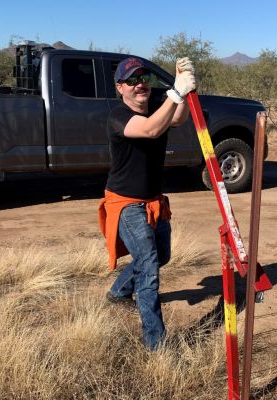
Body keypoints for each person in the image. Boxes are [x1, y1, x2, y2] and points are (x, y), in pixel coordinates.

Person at [98, 56, 196, 349]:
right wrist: (176, 93)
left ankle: (118, 292)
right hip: (127, 203)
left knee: (160, 256)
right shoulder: (118, 117)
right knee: (149, 267)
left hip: (153, 200)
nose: (140, 85)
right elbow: (151, 129)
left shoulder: (156, 108)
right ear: (120, 88)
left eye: (144, 79)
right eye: (132, 80)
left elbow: (177, 118)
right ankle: (157, 345)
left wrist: (188, 86)